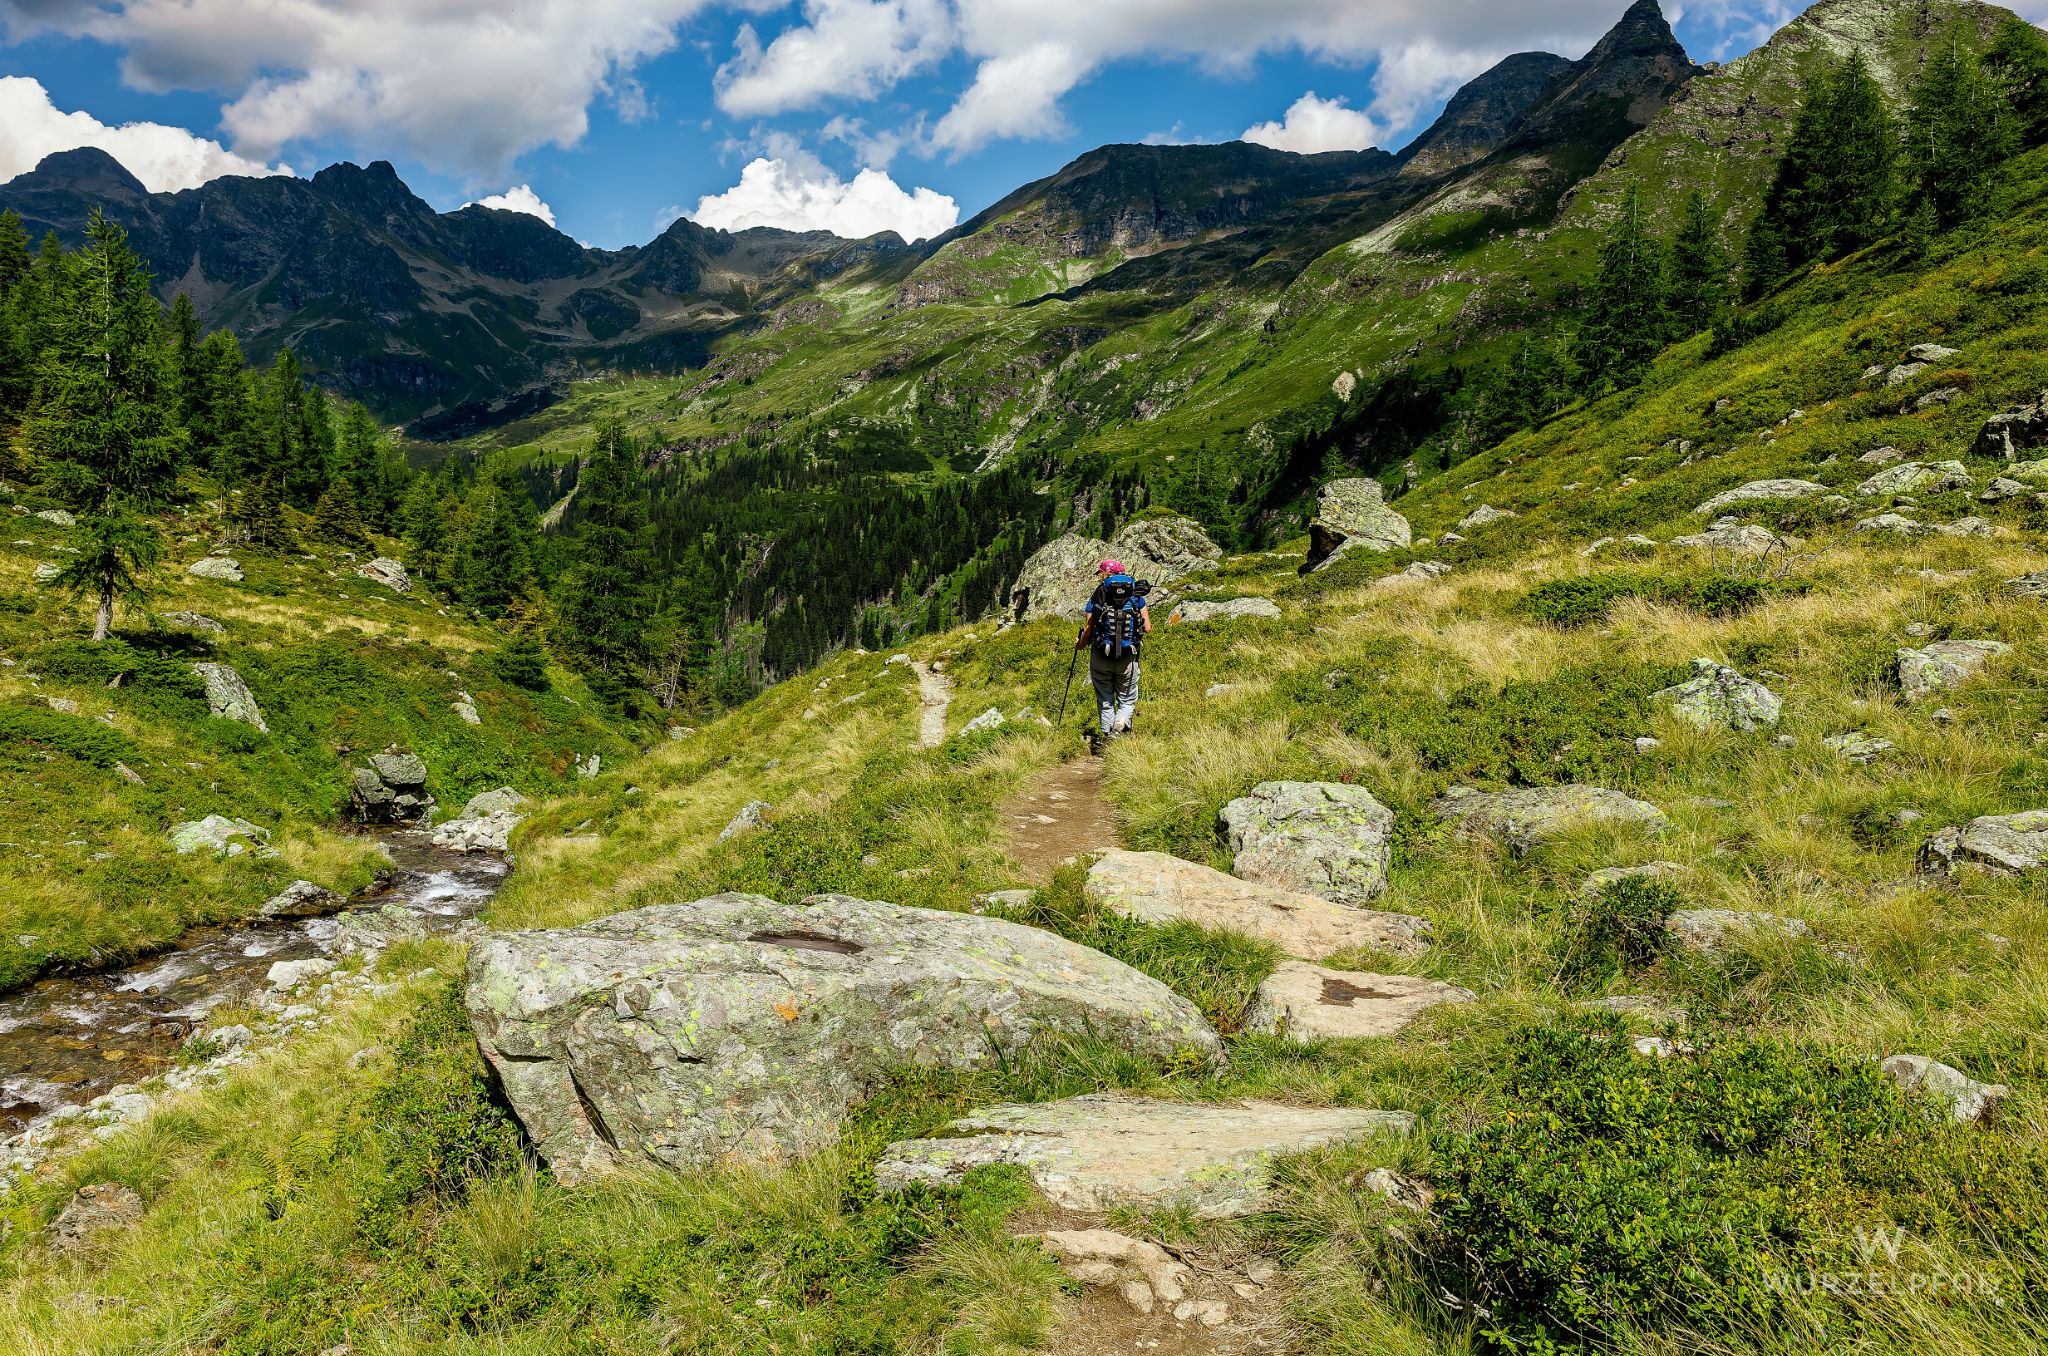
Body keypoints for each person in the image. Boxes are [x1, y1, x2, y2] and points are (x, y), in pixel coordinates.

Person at [1076, 558, 1150, 755]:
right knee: (1127, 699)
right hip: (1128, 657)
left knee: (1105, 699)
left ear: (1104, 575)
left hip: (1101, 656)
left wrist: (1080, 645)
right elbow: (1148, 628)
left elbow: (1090, 628)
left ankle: (1107, 739)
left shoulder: (1098, 596)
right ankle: (1120, 726)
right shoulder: (1136, 596)